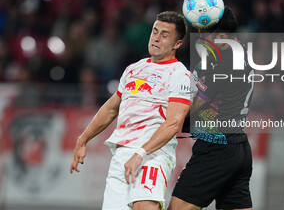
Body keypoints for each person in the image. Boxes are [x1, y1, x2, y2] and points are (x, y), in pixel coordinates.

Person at [70, 11, 195, 210]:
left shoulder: (181, 75)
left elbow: (173, 123)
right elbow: (111, 108)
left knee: (143, 207)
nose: (156, 37)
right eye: (155, 31)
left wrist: (141, 153)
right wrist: (83, 139)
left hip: (153, 155)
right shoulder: (133, 69)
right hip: (121, 156)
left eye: (164, 35)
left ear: (177, 44)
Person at [168, 6, 254, 210]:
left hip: (217, 147)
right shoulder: (240, 53)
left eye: (205, 34)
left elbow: (195, 104)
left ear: (223, 36)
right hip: (239, 146)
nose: (200, 38)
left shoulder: (221, 64)